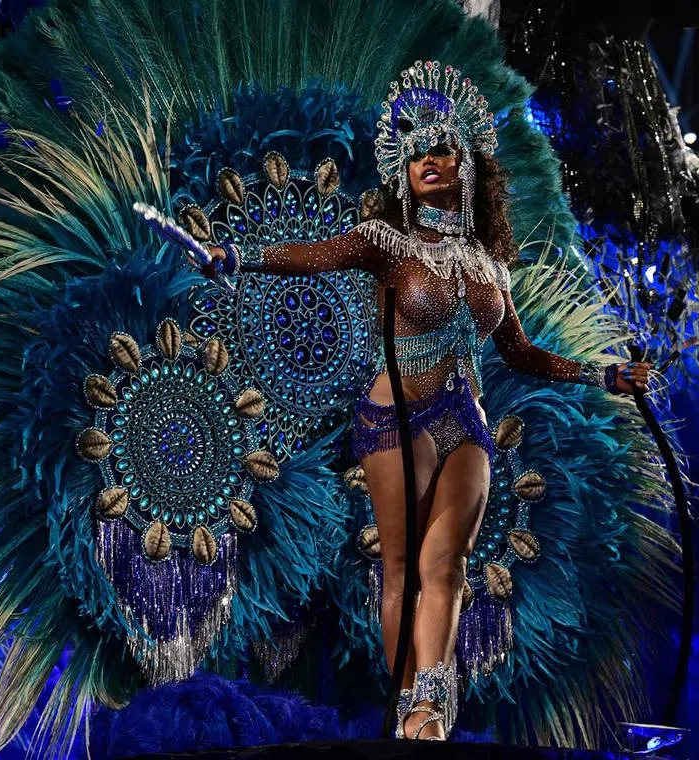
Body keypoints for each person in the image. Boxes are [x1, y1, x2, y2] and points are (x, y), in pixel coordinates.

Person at [187, 60, 652, 741]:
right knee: (401, 566)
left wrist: (605, 377)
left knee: (450, 565)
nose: (430, 161)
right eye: (416, 156)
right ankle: (408, 703)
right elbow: (315, 255)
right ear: (402, 177)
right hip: (394, 419)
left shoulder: (491, 266)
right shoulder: (386, 244)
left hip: (467, 423)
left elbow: (520, 355)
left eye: (443, 150)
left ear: (468, 167)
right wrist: (236, 256)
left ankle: (432, 702)